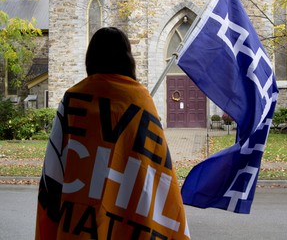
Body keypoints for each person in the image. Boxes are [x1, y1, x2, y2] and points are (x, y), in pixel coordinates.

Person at [35, 27, 190, 240]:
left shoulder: (72, 100)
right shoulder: (141, 101)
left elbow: (53, 173)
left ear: (91, 58)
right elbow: (157, 173)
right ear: (128, 59)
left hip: (79, 226)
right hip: (131, 223)